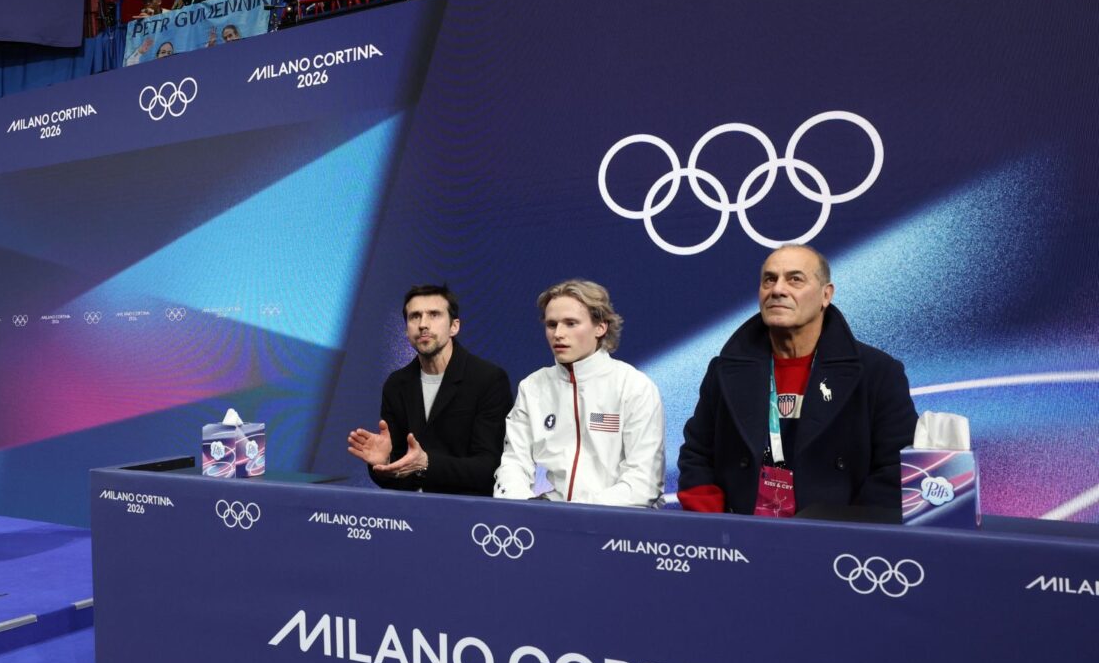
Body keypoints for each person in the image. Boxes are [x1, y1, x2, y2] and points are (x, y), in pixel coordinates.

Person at [677, 244, 918, 517]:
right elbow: (696, 454)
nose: (777, 290)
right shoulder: (723, 370)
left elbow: (898, 467)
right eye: (769, 279)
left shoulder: (878, 373)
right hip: (741, 539)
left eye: (795, 279)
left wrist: (851, 529)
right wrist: (714, 527)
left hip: (838, 545)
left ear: (826, 295)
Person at [493, 280, 665, 506]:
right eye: (551, 324)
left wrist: (578, 515)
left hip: (621, 525)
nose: (558, 334)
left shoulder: (634, 386)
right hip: (550, 519)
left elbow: (644, 482)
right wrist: (525, 509)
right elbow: (514, 463)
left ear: (600, 327)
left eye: (571, 323)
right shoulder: (533, 387)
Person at [347, 284, 512, 496]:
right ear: (406, 331)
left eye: (434, 315)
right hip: (408, 516)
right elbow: (398, 474)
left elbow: (490, 467)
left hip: (468, 517)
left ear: (454, 326)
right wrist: (385, 463)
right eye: (415, 316)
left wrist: (426, 464)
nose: (423, 324)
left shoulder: (488, 379)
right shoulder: (396, 384)